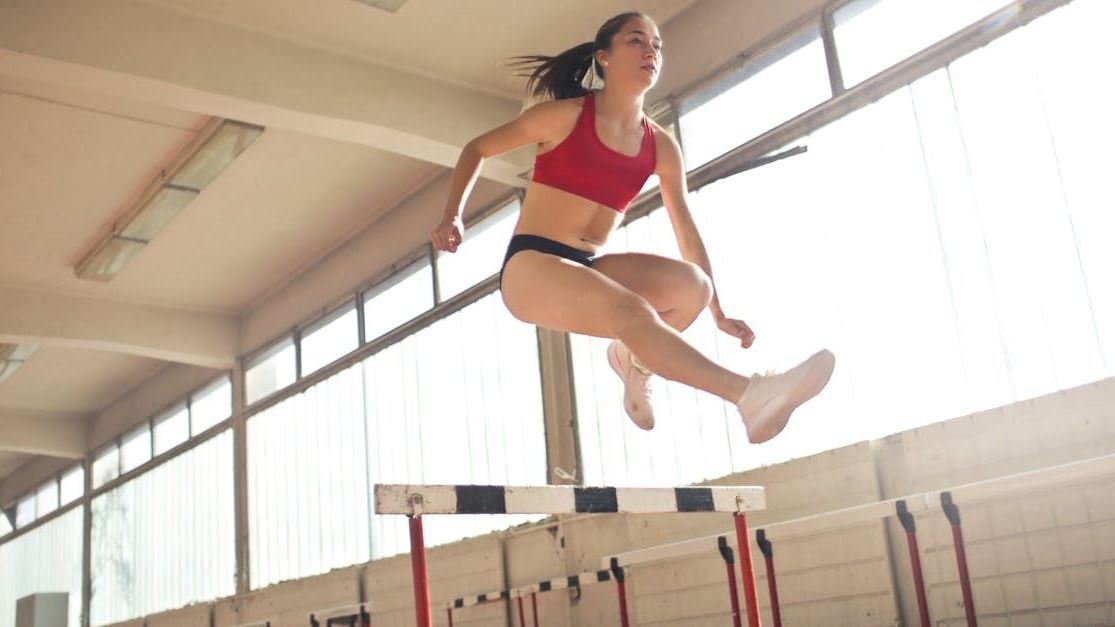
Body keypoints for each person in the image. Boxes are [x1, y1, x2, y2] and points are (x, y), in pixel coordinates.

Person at [431, 11, 834, 441]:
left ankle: (633, 359)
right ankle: (749, 396)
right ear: (603, 57)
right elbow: (478, 148)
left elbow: (685, 227)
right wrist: (453, 213)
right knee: (634, 311)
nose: (650, 52)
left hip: (586, 266)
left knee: (694, 287)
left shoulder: (660, 146)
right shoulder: (563, 116)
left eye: (657, 45)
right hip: (531, 266)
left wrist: (715, 309)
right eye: (637, 42)